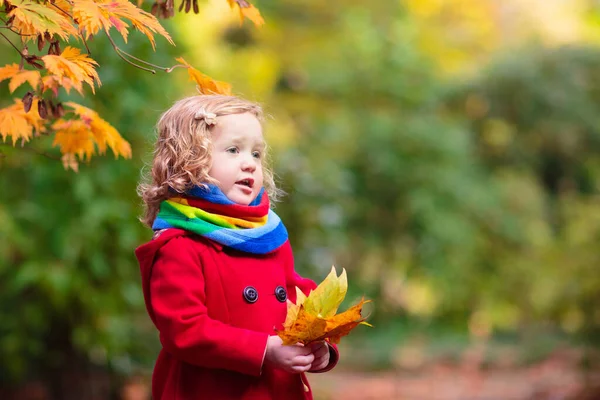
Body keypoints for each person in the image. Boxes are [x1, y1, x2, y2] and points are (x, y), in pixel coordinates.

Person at [135, 94, 339, 400]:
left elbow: (299, 296)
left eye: (256, 154)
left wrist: (319, 344)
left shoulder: (267, 233)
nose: (249, 164)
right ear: (190, 161)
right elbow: (185, 330)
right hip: (211, 390)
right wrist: (262, 350)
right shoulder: (180, 245)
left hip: (277, 389)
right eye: (233, 150)